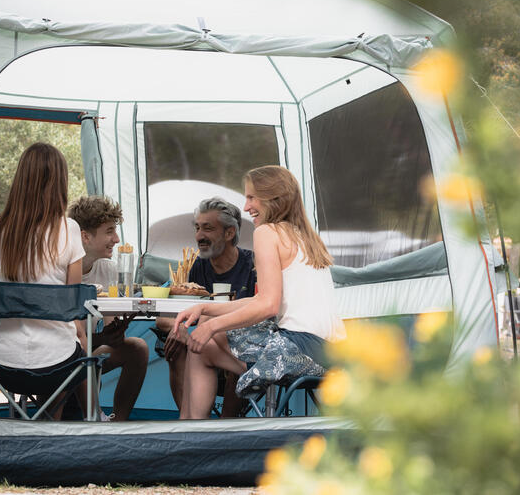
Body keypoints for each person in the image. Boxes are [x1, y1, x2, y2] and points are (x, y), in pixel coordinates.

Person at [173, 165, 346, 419]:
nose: (245, 207)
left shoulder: (268, 232)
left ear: (272, 197)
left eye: (251, 197)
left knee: (205, 337)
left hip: (298, 350)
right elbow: (261, 298)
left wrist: (210, 325)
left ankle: (190, 434)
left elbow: (268, 305)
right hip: (331, 353)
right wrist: (205, 308)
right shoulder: (305, 236)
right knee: (207, 338)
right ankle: (198, 429)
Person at [0, 143, 86, 420]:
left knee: (63, 350)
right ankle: (54, 423)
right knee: (79, 353)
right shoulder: (69, 229)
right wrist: (83, 338)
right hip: (57, 366)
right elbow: (74, 302)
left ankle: (32, 423)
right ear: (59, 184)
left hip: (0, 362)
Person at [156, 197, 256, 416]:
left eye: (208, 229)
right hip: (205, 344)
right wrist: (179, 329)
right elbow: (164, 316)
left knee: (235, 345)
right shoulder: (196, 268)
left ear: (229, 233)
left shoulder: (253, 266)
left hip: (239, 348)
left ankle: (225, 428)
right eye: (197, 228)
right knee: (176, 347)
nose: (199, 236)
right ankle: (191, 422)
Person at [68, 195, 149, 421]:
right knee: (80, 351)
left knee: (137, 348)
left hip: (87, 349)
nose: (116, 239)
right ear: (85, 236)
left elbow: (111, 338)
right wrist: (97, 338)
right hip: (62, 354)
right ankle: (94, 416)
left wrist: (114, 331)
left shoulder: (108, 270)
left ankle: (117, 423)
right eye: (109, 231)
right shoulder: (60, 269)